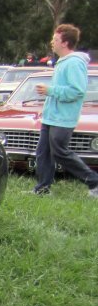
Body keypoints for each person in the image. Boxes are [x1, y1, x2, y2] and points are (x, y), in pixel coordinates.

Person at [33, 23, 98, 198]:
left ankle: (94, 181)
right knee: (43, 153)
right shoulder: (61, 63)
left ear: (65, 42)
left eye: (55, 39)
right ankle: (43, 188)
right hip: (51, 117)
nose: (51, 42)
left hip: (64, 118)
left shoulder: (75, 63)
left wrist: (50, 90)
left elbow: (77, 91)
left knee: (60, 152)